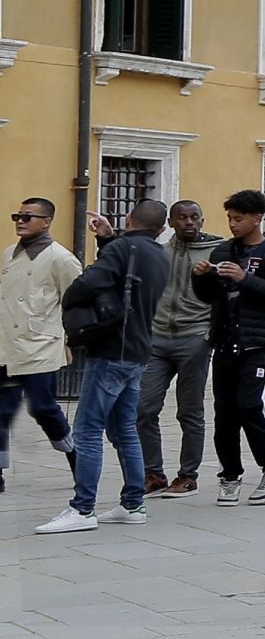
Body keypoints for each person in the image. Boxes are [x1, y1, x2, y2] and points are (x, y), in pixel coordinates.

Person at [34, 200, 169, 533]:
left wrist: (71, 297)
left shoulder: (123, 248)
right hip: (138, 350)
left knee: (87, 430)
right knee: (124, 429)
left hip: (111, 350)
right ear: (162, 228)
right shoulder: (160, 254)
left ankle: (82, 509)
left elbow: (88, 284)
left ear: (128, 219)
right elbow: (127, 281)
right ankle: (133, 504)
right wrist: (108, 240)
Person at [193, 188, 265, 506]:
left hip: (258, 343)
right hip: (225, 341)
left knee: (250, 405)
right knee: (224, 412)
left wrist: (244, 279)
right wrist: (201, 278)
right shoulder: (223, 251)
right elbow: (210, 297)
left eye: (238, 218)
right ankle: (229, 476)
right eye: (229, 218)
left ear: (257, 218)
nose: (233, 224)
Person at [1, 197, 84, 496]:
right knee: (1, 411)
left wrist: (73, 338)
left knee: (44, 409)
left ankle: (78, 460)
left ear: (46, 222)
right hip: (7, 346)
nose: (20, 221)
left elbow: (76, 301)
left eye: (27, 216)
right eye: (17, 215)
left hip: (40, 347)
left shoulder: (61, 258)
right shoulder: (10, 253)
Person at [132, 200, 215, 498]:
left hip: (194, 337)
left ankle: (187, 476)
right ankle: (153, 474)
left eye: (195, 217)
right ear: (170, 222)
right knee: (143, 407)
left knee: (189, 410)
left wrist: (209, 333)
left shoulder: (216, 252)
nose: (189, 222)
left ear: (203, 220)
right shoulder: (159, 251)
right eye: (182, 217)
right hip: (156, 339)